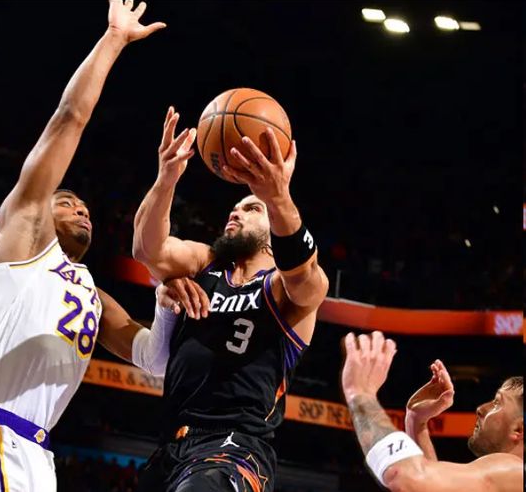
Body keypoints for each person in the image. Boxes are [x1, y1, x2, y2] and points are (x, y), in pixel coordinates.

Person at [0, 2, 204, 491]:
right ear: (41, 211)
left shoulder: (91, 294)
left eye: (85, 207)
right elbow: (69, 119)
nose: (81, 210)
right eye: (67, 202)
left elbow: (155, 360)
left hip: (37, 452)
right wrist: (114, 39)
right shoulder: (24, 239)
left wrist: (164, 304)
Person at [132, 107, 329, 491]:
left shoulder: (281, 289)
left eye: (251, 208)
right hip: (171, 445)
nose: (235, 214)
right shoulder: (206, 263)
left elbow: (306, 279)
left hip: (236, 446)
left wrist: (278, 198)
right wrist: (166, 178)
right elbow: (146, 249)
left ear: (274, 231)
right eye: (233, 210)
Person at [341, 330, 523, 492]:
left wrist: (361, 394)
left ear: (520, 429)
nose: (481, 408)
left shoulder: (514, 471)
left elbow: (403, 477)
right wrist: (416, 422)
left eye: (497, 403)